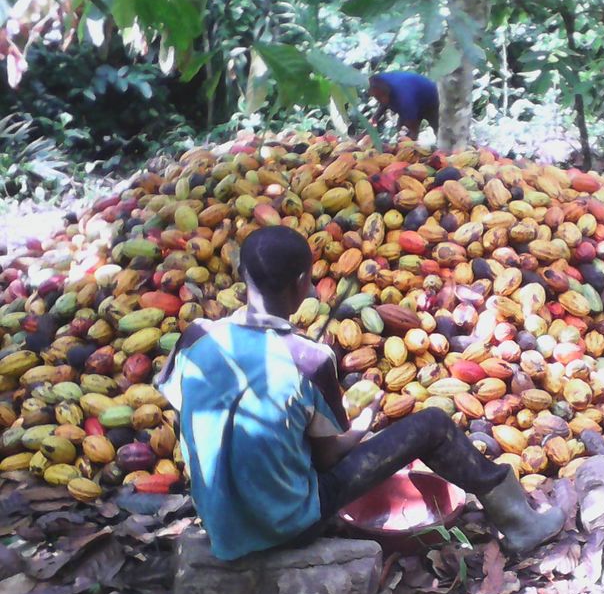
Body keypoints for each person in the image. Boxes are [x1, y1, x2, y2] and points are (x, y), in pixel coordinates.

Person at [156, 226, 564, 561]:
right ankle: (520, 523)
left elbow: (187, 413)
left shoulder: (195, 338)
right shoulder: (307, 359)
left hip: (219, 522)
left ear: (240, 273)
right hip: (288, 526)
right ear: (304, 285)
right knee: (434, 425)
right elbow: (329, 456)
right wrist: (363, 426)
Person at [368, 72, 439, 139]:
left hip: (432, 100)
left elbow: (413, 125)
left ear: (386, 92)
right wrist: (375, 118)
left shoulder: (404, 97)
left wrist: (410, 141)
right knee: (400, 130)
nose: (380, 99)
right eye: (376, 97)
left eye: (381, 96)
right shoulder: (378, 81)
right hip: (412, 95)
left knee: (440, 131)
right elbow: (383, 100)